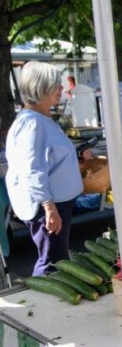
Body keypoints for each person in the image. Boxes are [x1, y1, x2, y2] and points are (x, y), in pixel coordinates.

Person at [5, 62, 84, 276]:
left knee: (57, 258)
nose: (61, 89)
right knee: (52, 263)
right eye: (55, 85)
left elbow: (48, 157)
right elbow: (32, 169)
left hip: (55, 203)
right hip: (48, 205)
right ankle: (46, 307)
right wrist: (49, 207)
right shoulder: (32, 124)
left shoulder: (41, 119)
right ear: (40, 89)